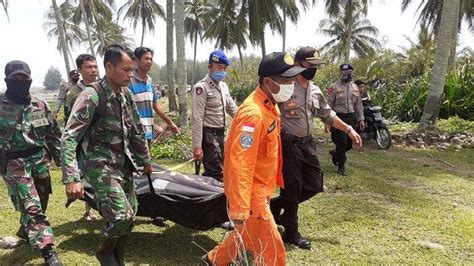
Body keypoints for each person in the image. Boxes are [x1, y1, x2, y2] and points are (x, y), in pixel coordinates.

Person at [203, 52, 305, 265]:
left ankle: (214, 260)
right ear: (268, 81)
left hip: (260, 187)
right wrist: (240, 205)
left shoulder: (270, 105)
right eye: (286, 79)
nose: (291, 84)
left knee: (247, 233)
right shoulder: (254, 113)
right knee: (272, 250)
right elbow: (240, 162)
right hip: (251, 193)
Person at [61, 44, 152, 265]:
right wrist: (72, 178)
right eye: (126, 70)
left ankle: (117, 260)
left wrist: (145, 161)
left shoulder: (126, 94)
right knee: (121, 215)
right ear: (109, 67)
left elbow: (136, 130)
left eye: (132, 70)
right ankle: (103, 252)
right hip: (99, 166)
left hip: (123, 164)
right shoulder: (91, 96)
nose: (130, 75)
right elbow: (69, 137)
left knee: (130, 216)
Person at [270, 47, 362, 250]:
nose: (313, 69)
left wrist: (349, 129)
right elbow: (267, 109)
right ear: (297, 64)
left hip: (307, 144)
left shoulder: (316, 90)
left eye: (316, 66)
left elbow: (328, 115)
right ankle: (291, 231)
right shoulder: (285, 87)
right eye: (309, 65)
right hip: (288, 145)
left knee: (314, 184)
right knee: (292, 187)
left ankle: (276, 205)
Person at [0, 60, 62, 265]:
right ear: (6, 81)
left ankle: (25, 231)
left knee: (42, 199)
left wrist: (65, 166)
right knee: (32, 205)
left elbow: (53, 135)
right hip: (14, 161)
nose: (20, 83)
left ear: (29, 80)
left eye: (24, 79)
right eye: (15, 79)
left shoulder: (40, 105)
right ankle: (48, 250)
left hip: (39, 160)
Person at [191, 50, 237, 180]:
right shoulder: (201, 88)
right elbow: (197, 118)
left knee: (219, 167)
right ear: (210, 67)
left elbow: (232, 108)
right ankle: (217, 197)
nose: (221, 71)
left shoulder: (224, 86)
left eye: (224, 68)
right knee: (217, 171)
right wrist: (197, 147)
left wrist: (246, 120)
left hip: (221, 133)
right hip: (208, 135)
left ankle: (211, 194)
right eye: (218, 67)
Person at [64, 53, 99, 221]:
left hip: (101, 142)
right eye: (89, 67)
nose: (93, 70)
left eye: (95, 66)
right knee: (87, 176)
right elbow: (69, 121)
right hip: (84, 143)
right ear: (80, 70)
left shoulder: (101, 88)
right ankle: (89, 208)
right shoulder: (74, 93)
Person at [129, 47, 180, 147]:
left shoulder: (149, 81)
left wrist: (171, 124)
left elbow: (155, 106)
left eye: (150, 59)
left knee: (147, 161)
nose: (149, 61)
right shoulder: (129, 80)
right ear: (136, 60)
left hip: (148, 133)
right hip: (134, 133)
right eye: (146, 58)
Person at [326, 64, 365, 176]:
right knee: (342, 142)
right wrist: (327, 121)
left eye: (348, 72)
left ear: (351, 73)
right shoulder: (334, 87)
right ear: (340, 73)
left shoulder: (355, 88)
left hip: (351, 117)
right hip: (338, 117)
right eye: (343, 72)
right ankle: (341, 165)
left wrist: (361, 119)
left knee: (350, 142)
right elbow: (328, 104)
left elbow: (358, 104)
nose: (346, 74)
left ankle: (336, 154)